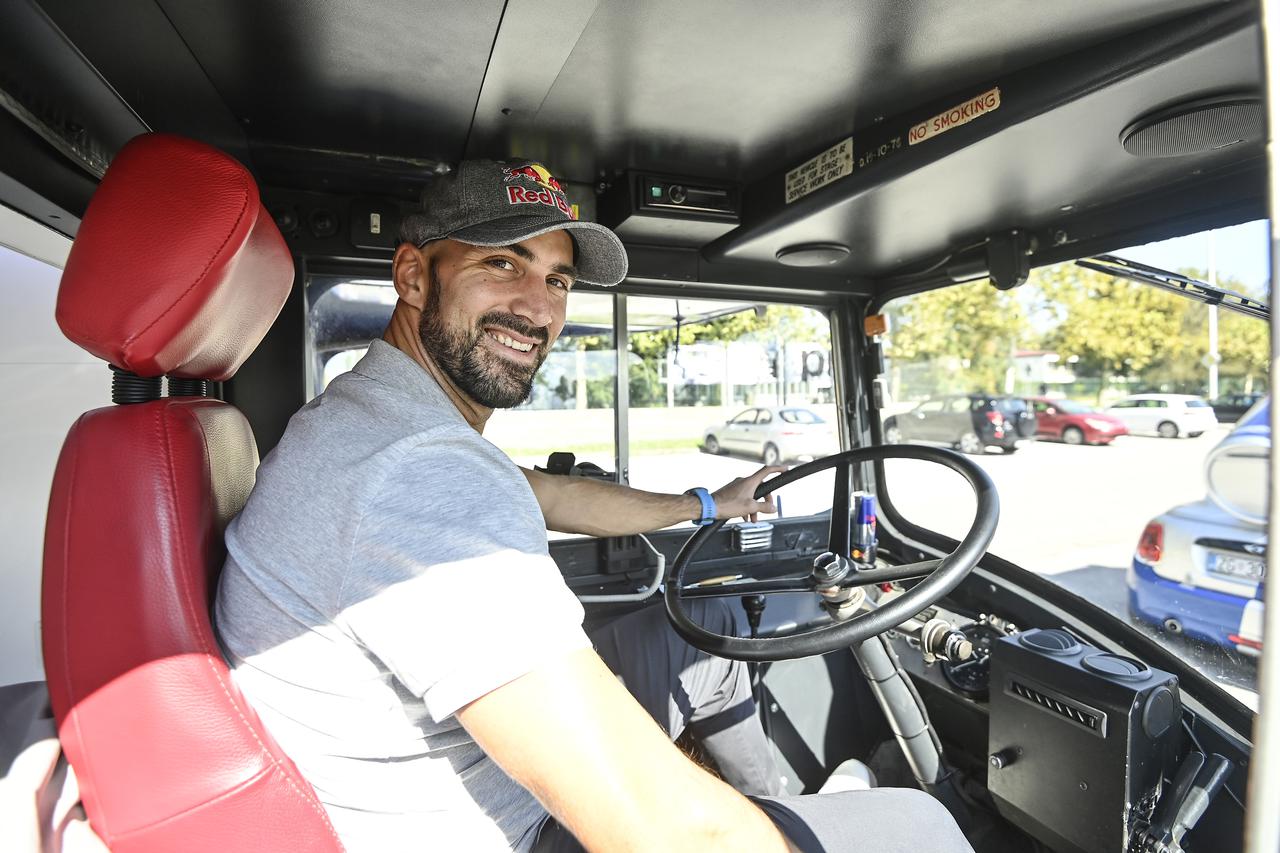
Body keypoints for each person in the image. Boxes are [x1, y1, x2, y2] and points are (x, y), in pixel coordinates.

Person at [214, 160, 973, 853]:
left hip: (445, 766)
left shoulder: (378, 417)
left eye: (558, 280)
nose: (536, 307)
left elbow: (545, 492)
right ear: (413, 276)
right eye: (501, 263)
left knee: (703, 631)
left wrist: (707, 501)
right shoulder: (415, 471)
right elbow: (661, 831)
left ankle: (778, 802)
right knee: (920, 823)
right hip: (504, 828)